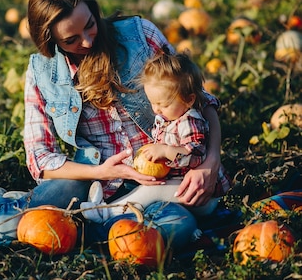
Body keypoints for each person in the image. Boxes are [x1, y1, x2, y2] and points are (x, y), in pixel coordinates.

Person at [0, 0, 231, 250]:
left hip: (161, 178)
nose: (88, 42)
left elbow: (201, 101)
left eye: (90, 25)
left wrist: (210, 160)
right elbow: (40, 159)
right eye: (71, 39)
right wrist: (103, 172)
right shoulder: (42, 72)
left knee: (177, 227)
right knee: (3, 228)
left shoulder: (139, 35)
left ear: (93, 9)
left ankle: (89, 224)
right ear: (50, 40)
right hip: (92, 181)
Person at [81, 52, 229, 223]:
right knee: (147, 191)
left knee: (151, 192)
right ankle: (111, 211)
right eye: (153, 102)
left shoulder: (190, 121)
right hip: (180, 185)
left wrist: (166, 150)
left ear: (189, 100)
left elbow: (195, 155)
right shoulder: (169, 116)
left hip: (200, 194)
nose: (157, 110)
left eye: (163, 104)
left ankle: (104, 213)